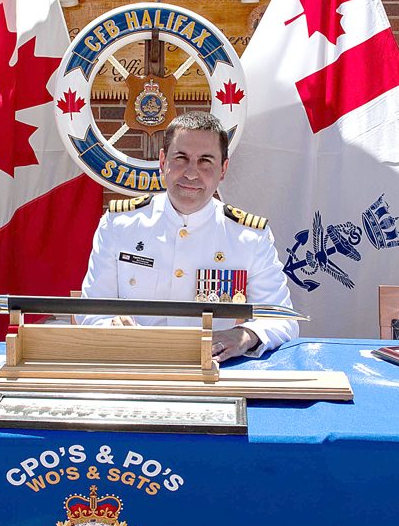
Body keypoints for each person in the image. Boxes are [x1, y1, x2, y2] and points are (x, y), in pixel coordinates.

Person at [78, 111, 298, 362]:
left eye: (206, 161)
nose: (191, 173)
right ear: (163, 161)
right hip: (134, 365)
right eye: (181, 158)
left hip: (213, 370)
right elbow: (90, 311)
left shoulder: (249, 237)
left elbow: (282, 318)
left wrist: (244, 335)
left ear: (223, 169)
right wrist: (110, 326)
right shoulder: (120, 225)